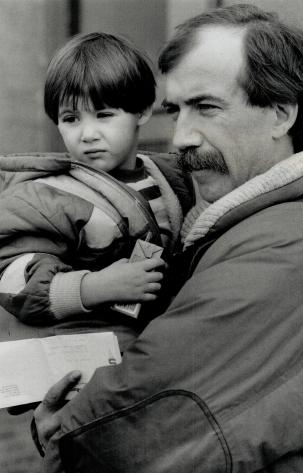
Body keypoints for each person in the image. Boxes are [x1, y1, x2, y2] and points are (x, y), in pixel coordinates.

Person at [36, 4, 303, 473]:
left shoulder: (287, 246)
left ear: (281, 113)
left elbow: (127, 441)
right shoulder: (245, 224)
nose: (181, 138)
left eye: (207, 107)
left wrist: (61, 431)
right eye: (176, 110)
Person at [0, 32, 193, 348]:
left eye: (104, 115)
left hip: (162, 338)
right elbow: (15, 280)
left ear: (143, 112)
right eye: (71, 118)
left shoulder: (173, 178)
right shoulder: (49, 197)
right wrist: (98, 286)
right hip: (83, 349)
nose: (88, 134)